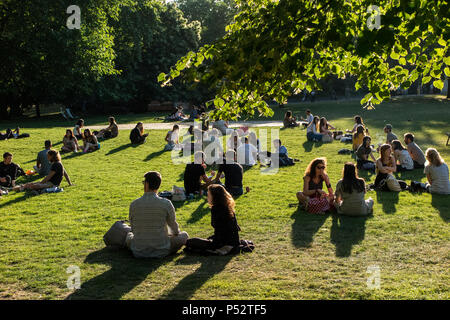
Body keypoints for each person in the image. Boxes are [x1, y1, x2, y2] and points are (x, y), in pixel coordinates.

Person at [126, 171, 189, 258]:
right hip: (162, 250)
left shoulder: (134, 204)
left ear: (147, 184)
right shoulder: (166, 203)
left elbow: (133, 228)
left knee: (129, 235)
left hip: (138, 250)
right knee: (184, 235)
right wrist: (173, 234)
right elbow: (174, 228)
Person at [185, 184, 240, 254]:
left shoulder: (216, 209)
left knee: (189, 242)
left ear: (214, 196)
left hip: (222, 242)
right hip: (234, 241)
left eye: (208, 195)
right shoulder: (228, 206)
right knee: (198, 242)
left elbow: (219, 232)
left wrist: (212, 243)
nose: (207, 197)